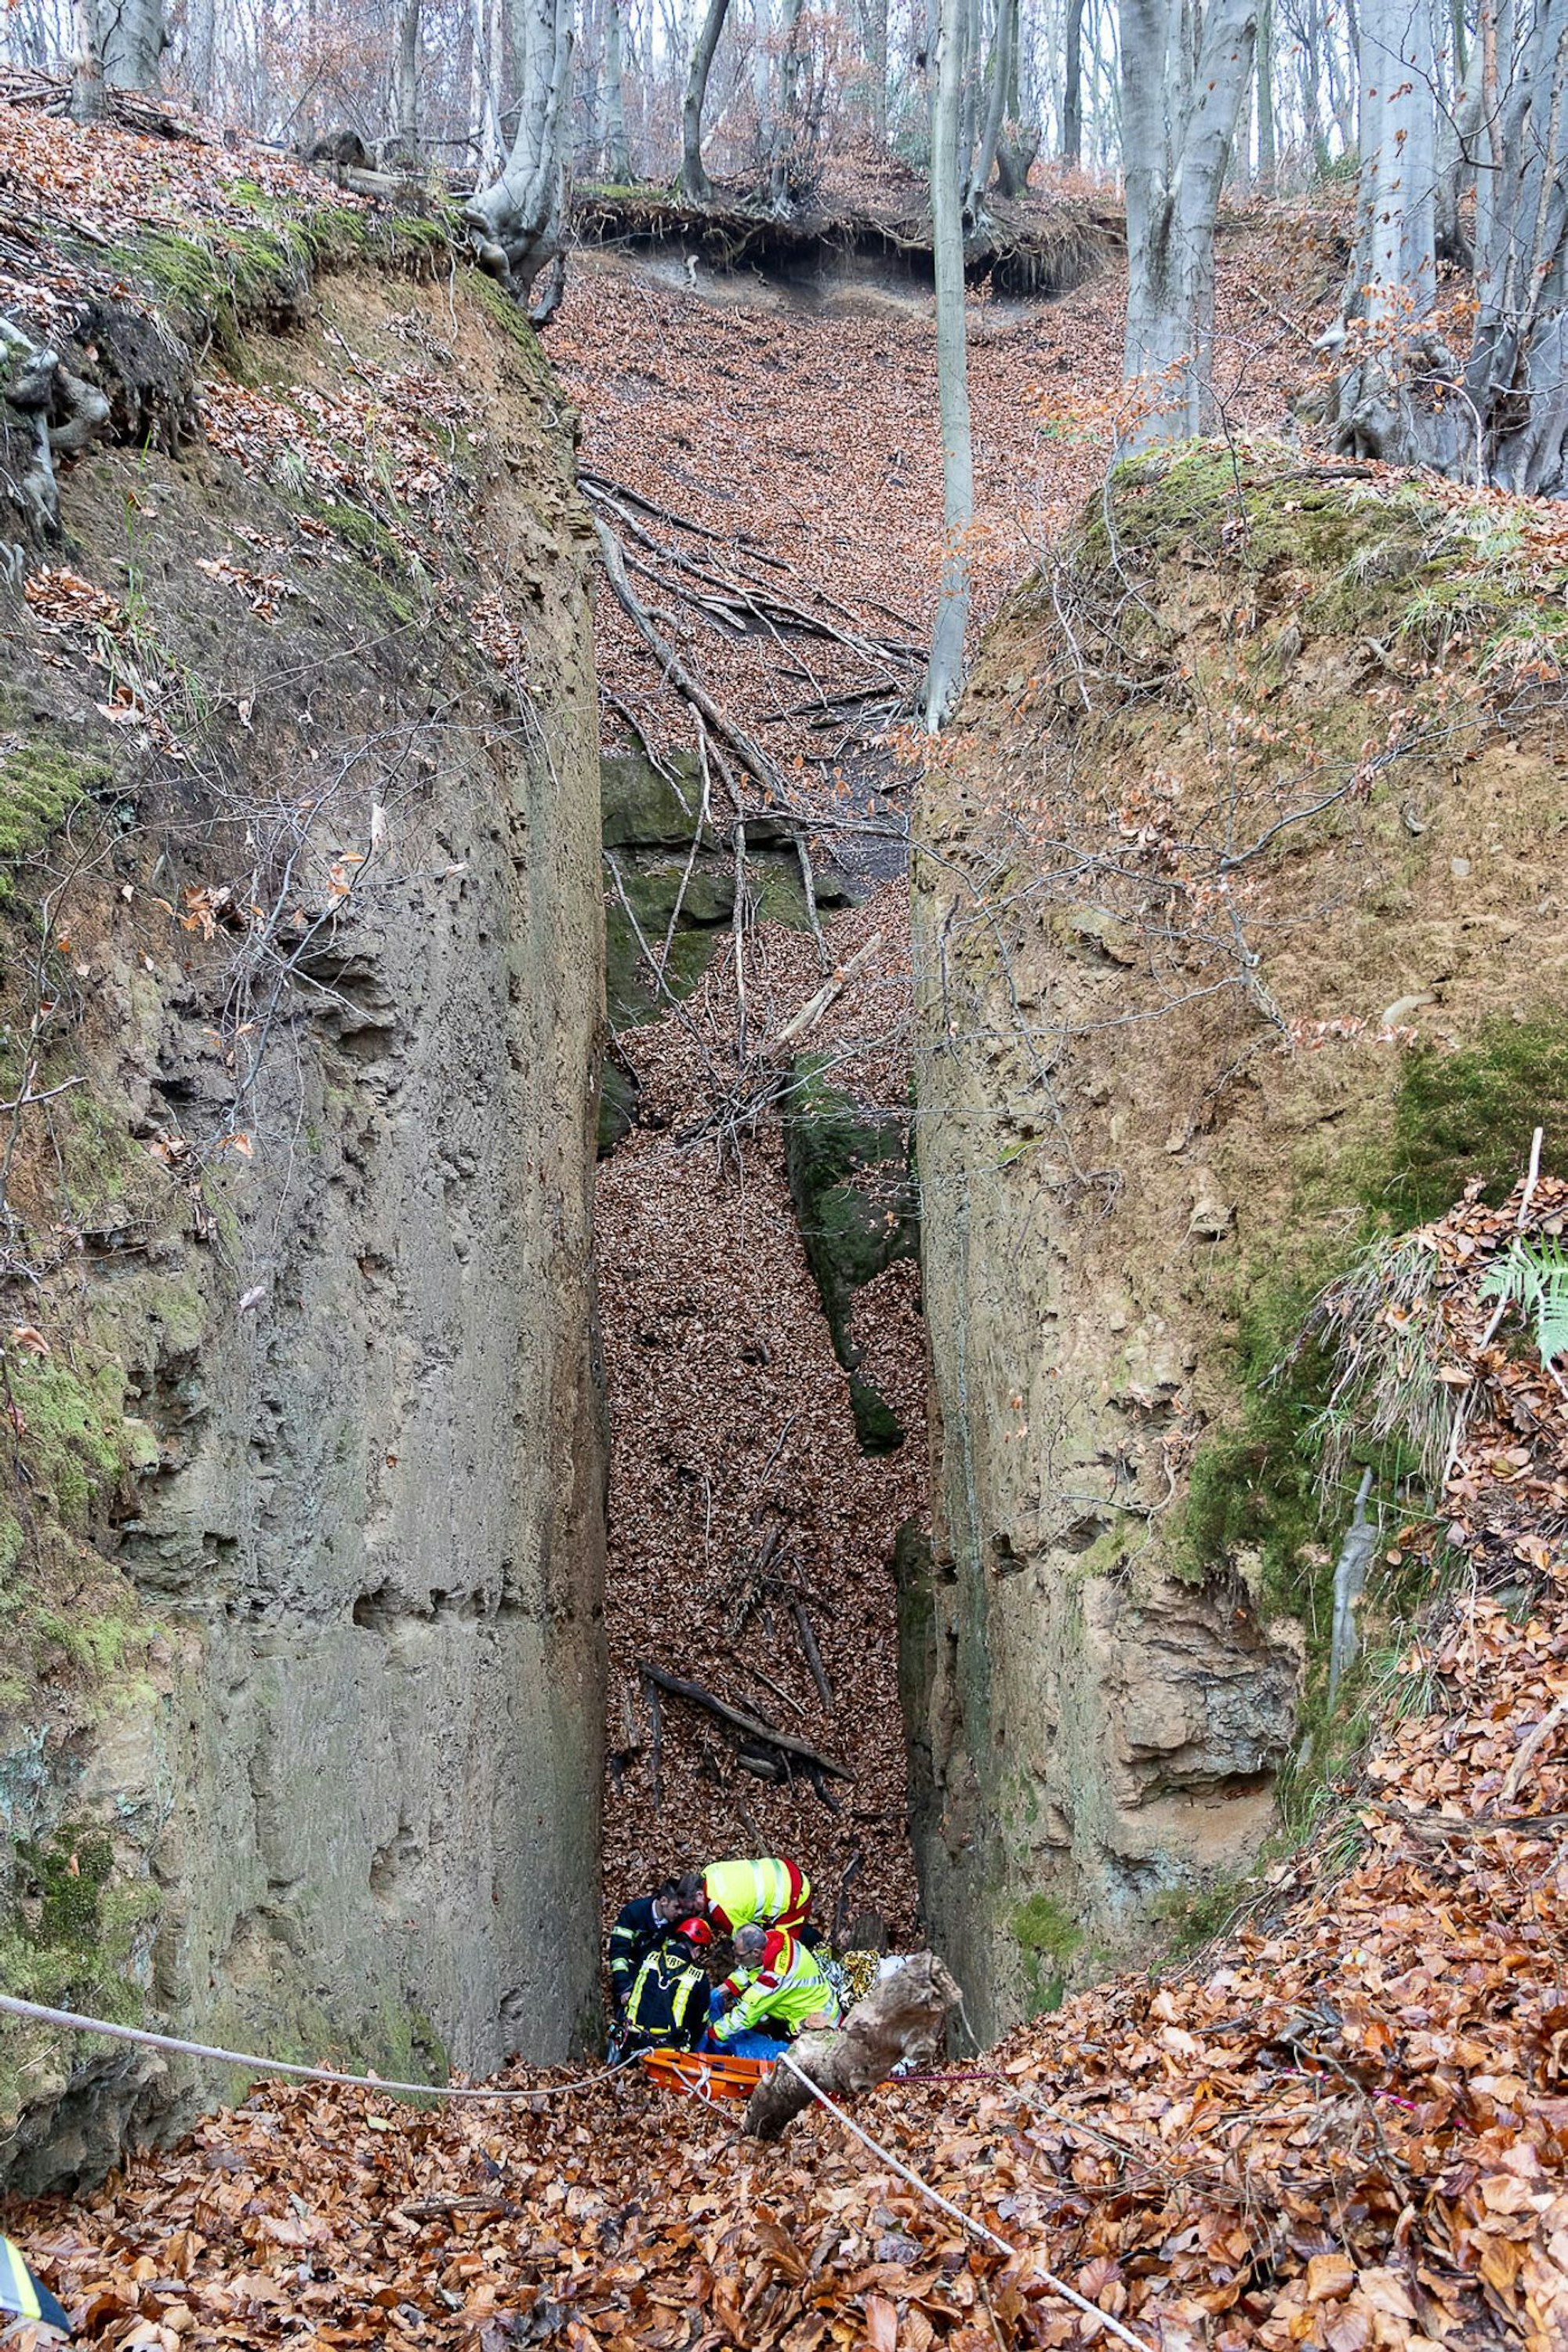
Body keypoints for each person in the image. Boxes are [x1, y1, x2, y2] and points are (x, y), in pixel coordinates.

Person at [707, 1921, 840, 2058]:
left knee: (795, 2061)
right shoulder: (773, 1938)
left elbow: (745, 2015)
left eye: (740, 1956)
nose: (736, 1961)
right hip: (812, 2001)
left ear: (756, 1953)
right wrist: (722, 1990)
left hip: (818, 2022)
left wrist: (712, 2033)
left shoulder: (774, 1978)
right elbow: (749, 1970)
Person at [619, 1916, 714, 2056]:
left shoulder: (649, 1957)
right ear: (697, 1950)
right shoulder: (698, 1977)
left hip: (631, 2043)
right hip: (667, 2052)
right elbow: (699, 2023)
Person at [607, 1877, 688, 2021]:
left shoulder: (677, 1923)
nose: (681, 1913)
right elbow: (619, 1953)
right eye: (677, 1907)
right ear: (664, 1901)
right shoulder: (633, 1913)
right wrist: (623, 1986)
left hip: (658, 1973)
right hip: (633, 1969)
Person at [677, 1856, 812, 1940]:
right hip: (784, 1870)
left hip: (794, 1897)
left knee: (784, 1949)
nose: (695, 1913)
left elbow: (748, 1939)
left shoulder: (720, 1910)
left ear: (699, 1895)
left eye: (694, 1907)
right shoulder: (710, 1871)